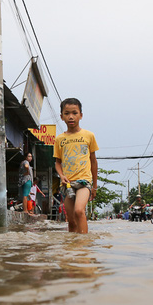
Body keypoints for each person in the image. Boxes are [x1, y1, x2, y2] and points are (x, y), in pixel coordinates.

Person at [54, 98, 99, 234]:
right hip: (68, 184)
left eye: (74, 113)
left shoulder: (89, 136)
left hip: (84, 181)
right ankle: (73, 247)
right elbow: (57, 162)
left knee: (79, 211)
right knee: (71, 220)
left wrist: (95, 186)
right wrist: (61, 176)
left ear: (81, 115)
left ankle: (84, 245)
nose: (71, 116)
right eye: (67, 113)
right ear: (62, 116)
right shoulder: (59, 139)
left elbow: (93, 162)